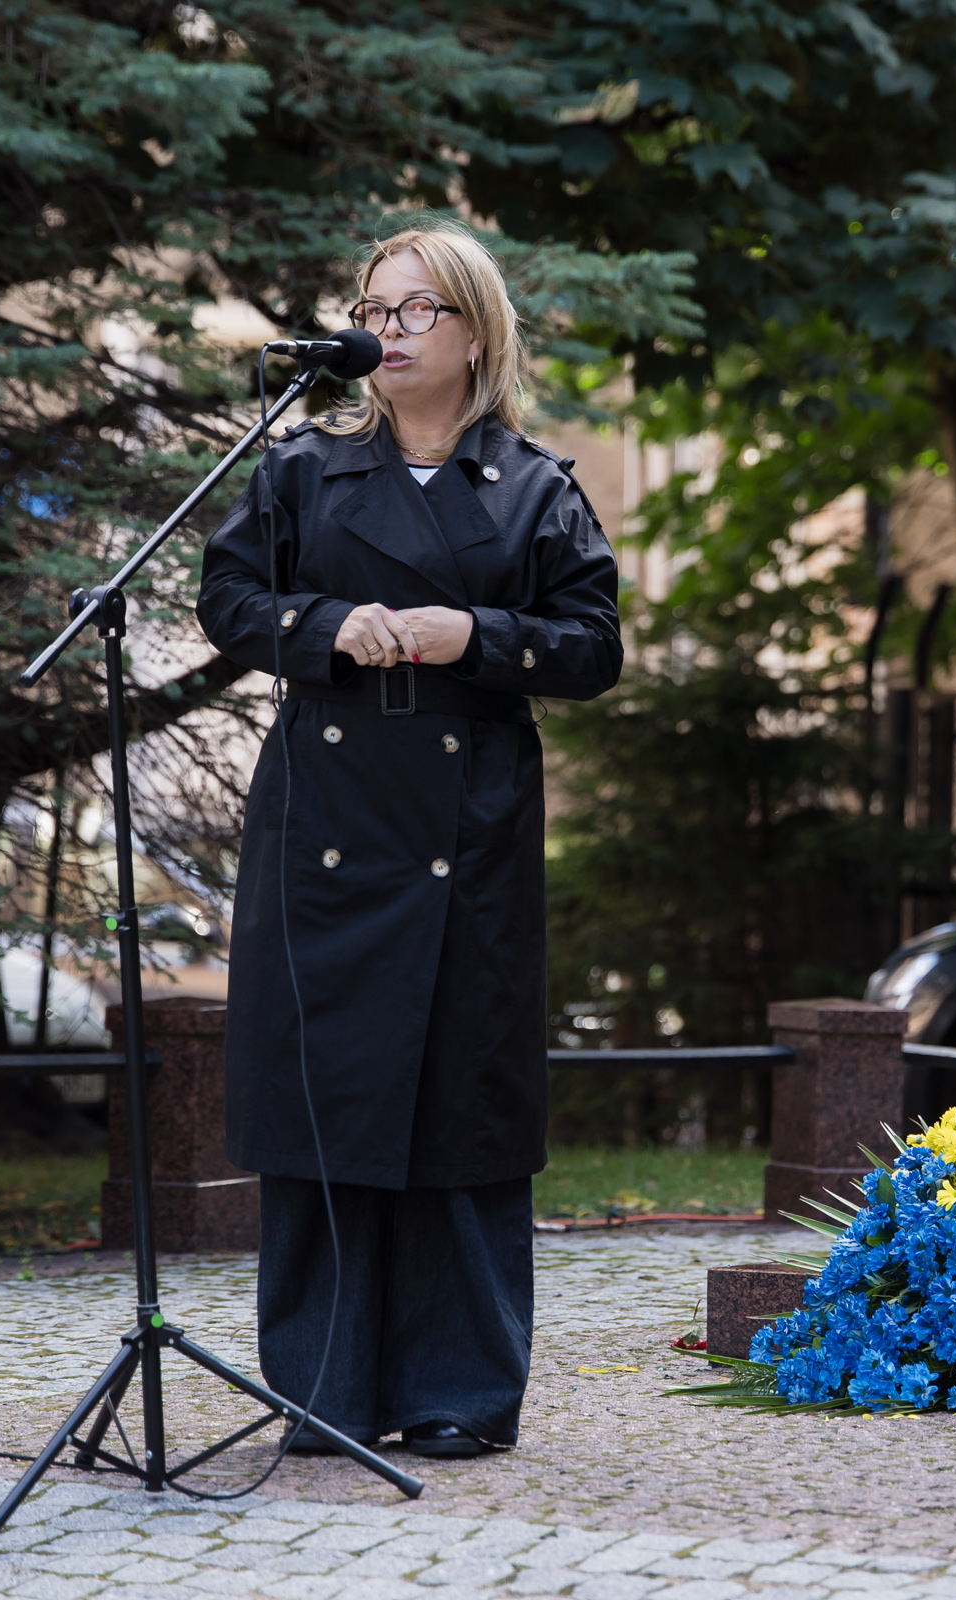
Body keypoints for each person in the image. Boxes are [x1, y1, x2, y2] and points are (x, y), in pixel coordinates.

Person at [196, 222, 621, 1459]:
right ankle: (320, 1390)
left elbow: (591, 647)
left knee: (460, 1109)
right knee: (324, 1103)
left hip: (468, 838)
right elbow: (226, 601)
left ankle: (458, 1390)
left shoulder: (538, 488)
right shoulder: (300, 472)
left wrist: (466, 636)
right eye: (372, 308)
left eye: (415, 311)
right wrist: (330, 624)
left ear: (476, 332)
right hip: (323, 825)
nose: (385, 332)